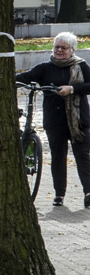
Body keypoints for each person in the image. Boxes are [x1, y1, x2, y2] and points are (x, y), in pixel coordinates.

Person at [19, 32, 90, 206]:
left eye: (63, 48)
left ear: (72, 50)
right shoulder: (45, 68)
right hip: (54, 120)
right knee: (58, 156)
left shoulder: (81, 66)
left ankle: (88, 192)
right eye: (57, 47)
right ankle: (59, 194)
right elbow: (25, 77)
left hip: (78, 120)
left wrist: (72, 89)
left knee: (82, 155)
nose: (59, 50)